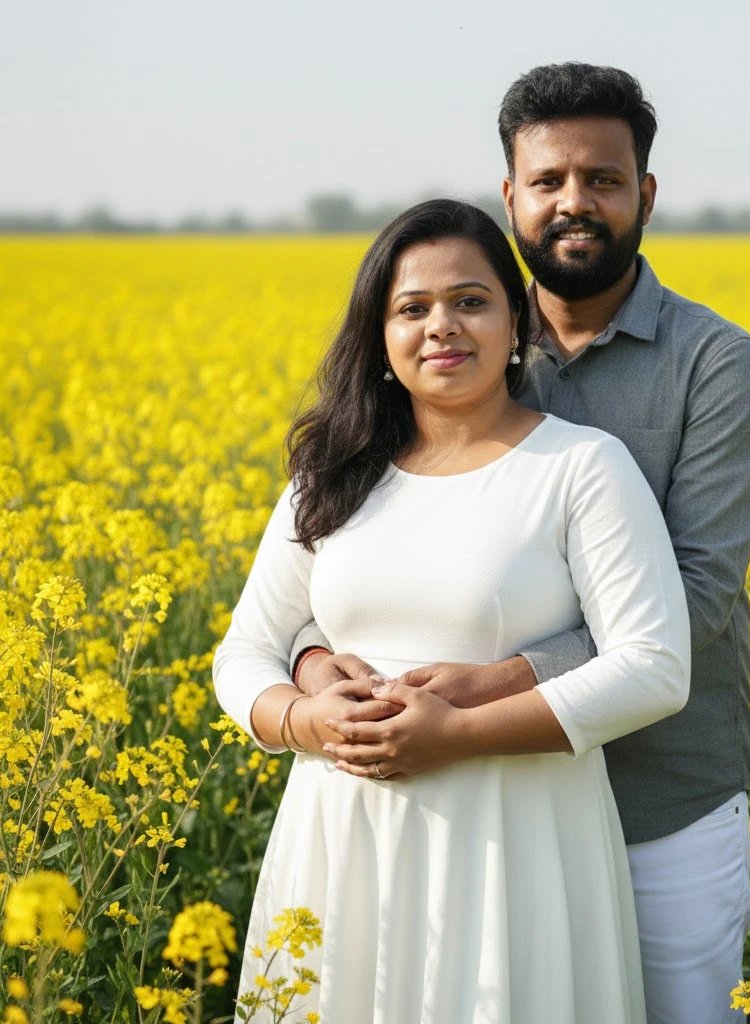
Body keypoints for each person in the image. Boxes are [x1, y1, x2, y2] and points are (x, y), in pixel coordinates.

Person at [289, 64, 750, 1024]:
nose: (575, 204)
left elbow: (695, 594)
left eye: (602, 180)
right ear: (510, 198)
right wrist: (309, 662)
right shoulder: (454, 348)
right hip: (475, 813)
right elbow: (356, 553)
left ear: (645, 194)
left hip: (657, 806)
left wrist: (487, 684)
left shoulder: (714, 365)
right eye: (549, 182)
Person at [213, 198, 690, 1023]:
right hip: (342, 838)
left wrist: (458, 733)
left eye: (471, 301)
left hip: (518, 842)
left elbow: (654, 666)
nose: (443, 326)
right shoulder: (330, 475)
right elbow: (244, 653)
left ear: (517, 323)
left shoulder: (580, 466)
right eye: (412, 308)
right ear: (380, 336)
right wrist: (307, 718)